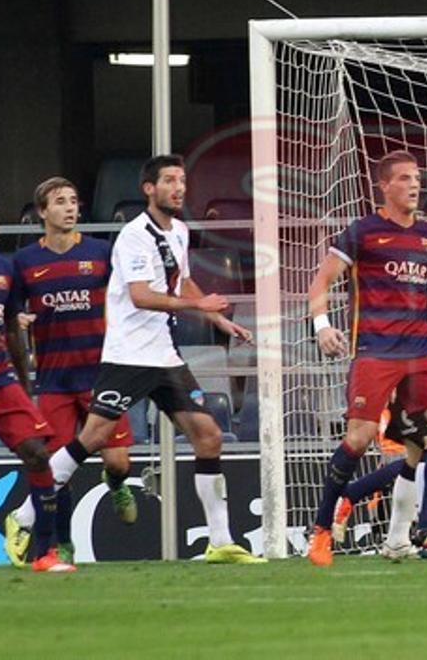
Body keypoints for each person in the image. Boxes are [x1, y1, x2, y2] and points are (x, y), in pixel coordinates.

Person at [43, 155, 263, 564]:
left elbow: (181, 280)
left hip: (163, 356)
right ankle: (23, 517)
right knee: (92, 439)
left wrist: (217, 317)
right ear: (149, 189)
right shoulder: (133, 236)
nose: (179, 188)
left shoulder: (178, 230)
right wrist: (196, 306)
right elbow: (142, 296)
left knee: (208, 435)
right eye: (169, 181)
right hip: (127, 356)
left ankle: (220, 541)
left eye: (182, 180)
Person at [307, 152, 427, 565]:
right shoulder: (363, 232)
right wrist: (323, 325)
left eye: (416, 178)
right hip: (376, 351)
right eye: (404, 179)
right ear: (384, 186)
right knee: (359, 439)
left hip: (420, 354)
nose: (414, 185)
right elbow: (321, 280)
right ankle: (322, 527)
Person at [3, 177, 137, 568]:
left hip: (101, 375)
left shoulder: (100, 252)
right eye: (60, 202)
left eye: (74, 201)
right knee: (55, 472)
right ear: (42, 212)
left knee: (118, 462)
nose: (69, 208)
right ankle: (63, 545)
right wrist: (21, 321)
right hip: (55, 381)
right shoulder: (25, 262)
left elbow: (127, 297)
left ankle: (115, 484)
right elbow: (11, 315)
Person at [0, 194, 72, 572]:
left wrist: (27, 387)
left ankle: (43, 554)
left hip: (0, 383)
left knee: (37, 454)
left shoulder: (5, 269)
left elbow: (14, 330)